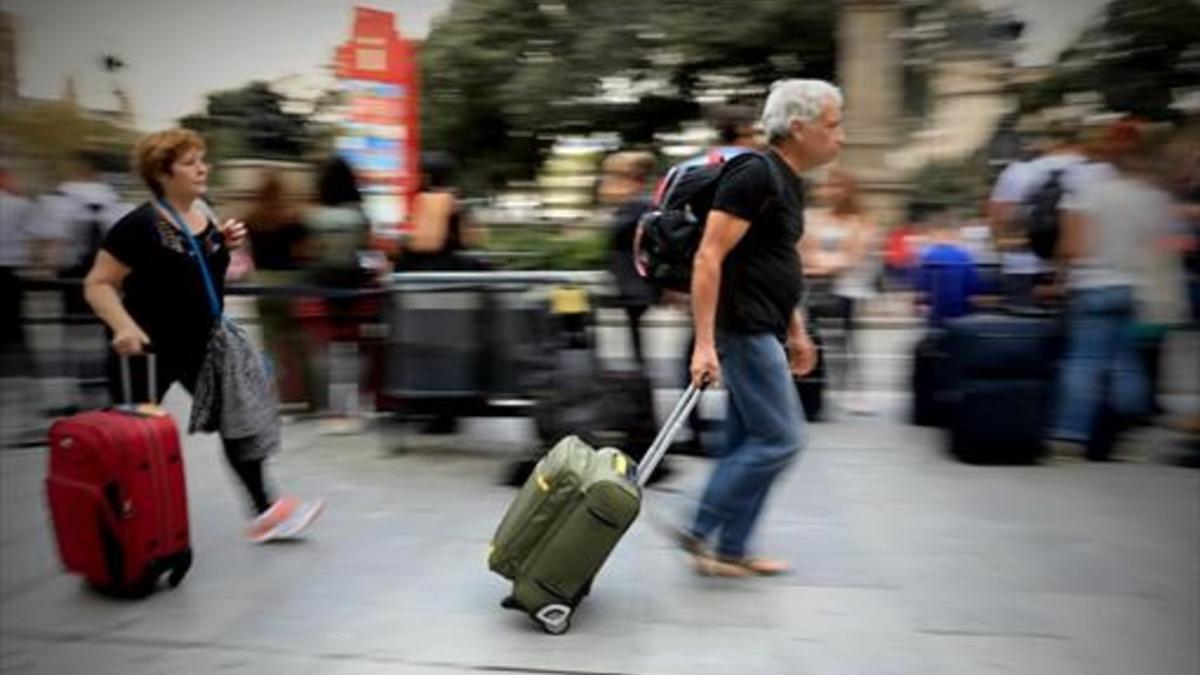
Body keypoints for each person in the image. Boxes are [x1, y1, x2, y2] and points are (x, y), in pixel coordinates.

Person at [83, 128, 324, 542]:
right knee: (127, 446)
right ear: (163, 173)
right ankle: (111, 529)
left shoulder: (206, 214)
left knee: (239, 422)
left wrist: (223, 243)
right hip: (145, 350)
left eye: (202, 159)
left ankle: (266, 513)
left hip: (201, 345)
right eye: (190, 162)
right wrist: (123, 326)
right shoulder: (139, 225)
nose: (202, 168)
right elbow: (98, 283)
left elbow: (198, 273)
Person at [680, 79, 841, 577]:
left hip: (765, 326)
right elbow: (709, 256)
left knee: (747, 441)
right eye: (833, 126)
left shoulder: (787, 179)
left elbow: (774, 259)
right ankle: (701, 528)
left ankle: (732, 550)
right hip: (742, 330)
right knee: (782, 439)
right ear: (799, 127)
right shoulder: (755, 172)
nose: (842, 137)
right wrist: (704, 344)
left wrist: (796, 328)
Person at [1050, 119, 1179, 458]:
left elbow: (1073, 247)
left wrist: (1061, 278)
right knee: (1125, 362)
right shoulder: (1156, 199)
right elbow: (1164, 248)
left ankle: (1069, 435)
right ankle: (1129, 434)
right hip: (1136, 289)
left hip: (1094, 286)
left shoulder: (1091, 192)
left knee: (1084, 361)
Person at [302, 157, 375, 434]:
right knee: (355, 349)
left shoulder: (314, 217)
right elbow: (366, 249)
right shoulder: (359, 215)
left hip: (320, 287)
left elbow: (310, 252)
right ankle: (354, 409)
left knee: (324, 351)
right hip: (355, 287)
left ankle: (329, 411)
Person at [801, 168, 877, 413]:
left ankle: (853, 391)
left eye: (837, 186)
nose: (830, 192)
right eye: (827, 186)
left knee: (846, 341)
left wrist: (822, 264)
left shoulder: (861, 221)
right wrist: (825, 263)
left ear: (849, 191)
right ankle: (816, 389)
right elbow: (805, 250)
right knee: (813, 338)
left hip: (848, 288)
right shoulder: (815, 217)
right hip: (816, 286)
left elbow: (853, 256)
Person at [244, 171, 315, 409]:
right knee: (298, 343)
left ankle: (271, 396)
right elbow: (304, 253)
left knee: (269, 343)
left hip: (263, 283)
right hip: (290, 285)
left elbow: (248, 253)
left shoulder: (251, 219)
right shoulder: (293, 220)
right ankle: (307, 396)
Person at [599, 151, 658, 369]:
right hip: (632, 284)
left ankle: (641, 391)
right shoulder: (635, 205)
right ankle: (640, 388)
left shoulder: (638, 206)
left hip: (636, 285)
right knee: (637, 350)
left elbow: (621, 236)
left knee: (639, 354)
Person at [913, 213, 984, 326]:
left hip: (936, 308)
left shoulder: (928, 256)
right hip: (959, 305)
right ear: (953, 235)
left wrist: (920, 303)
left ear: (936, 235)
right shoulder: (963, 256)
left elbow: (921, 283)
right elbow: (973, 283)